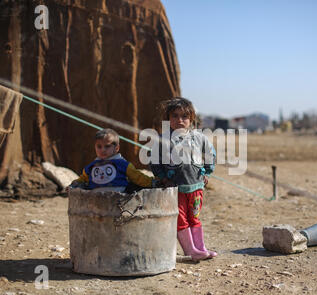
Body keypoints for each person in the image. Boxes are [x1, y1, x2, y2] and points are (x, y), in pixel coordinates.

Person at [151, 97, 217, 261]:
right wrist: (163, 178)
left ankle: (200, 248)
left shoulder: (199, 138)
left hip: (196, 187)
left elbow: (211, 155)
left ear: (191, 119)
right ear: (168, 119)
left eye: (184, 117)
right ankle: (191, 251)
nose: (179, 120)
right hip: (175, 189)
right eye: (175, 116)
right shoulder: (162, 139)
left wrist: (207, 173)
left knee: (194, 217)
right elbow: (155, 162)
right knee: (180, 219)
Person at [68, 128, 156, 192]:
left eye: (107, 146)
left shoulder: (123, 164)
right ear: (94, 147)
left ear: (116, 148)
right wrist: (74, 185)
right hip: (95, 201)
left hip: (119, 200)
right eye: (99, 146)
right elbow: (82, 179)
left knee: (134, 186)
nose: (103, 150)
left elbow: (137, 177)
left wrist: (152, 182)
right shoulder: (91, 167)